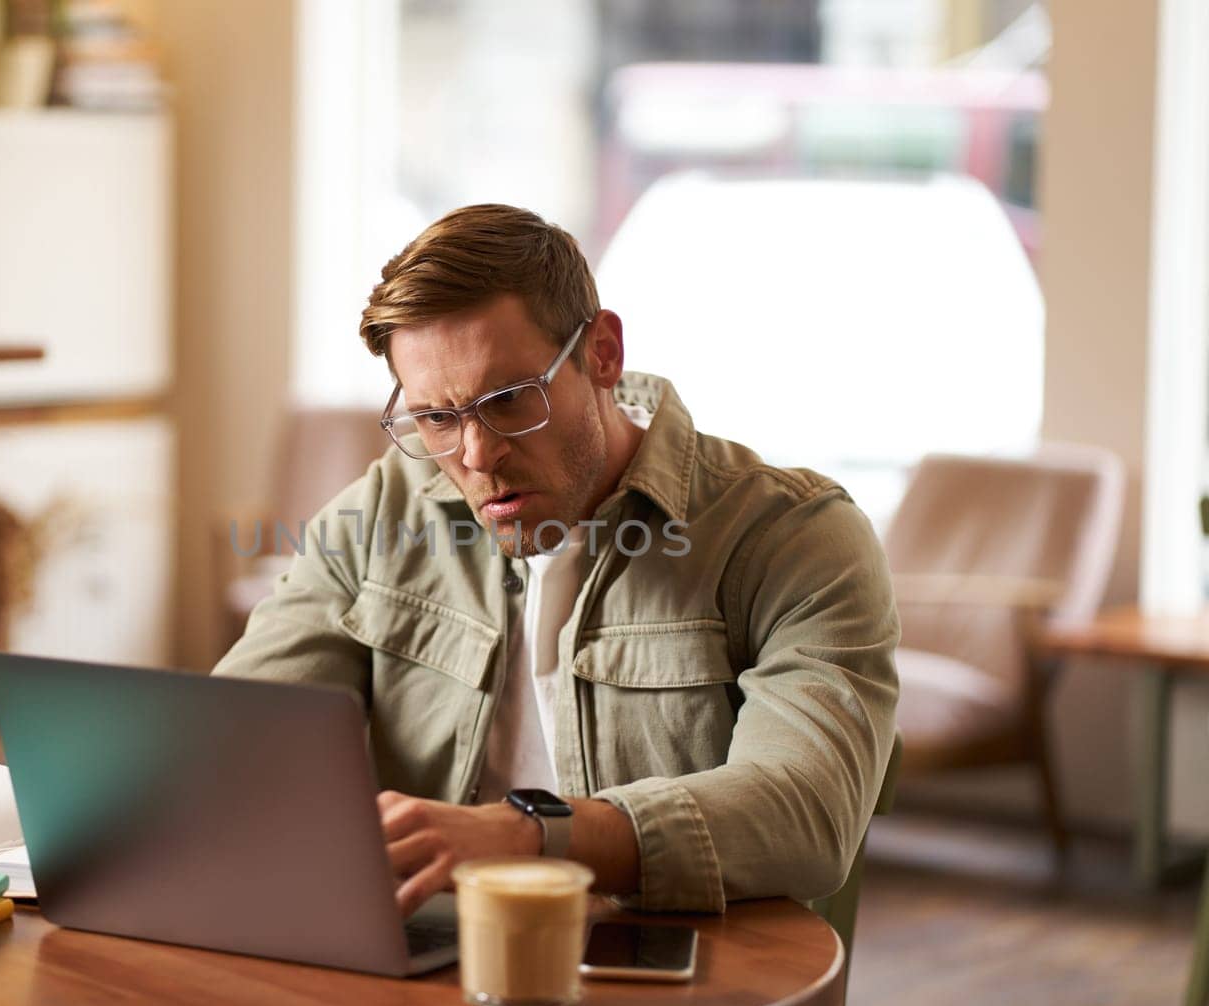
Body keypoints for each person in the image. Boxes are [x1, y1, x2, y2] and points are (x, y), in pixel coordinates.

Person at [214, 203, 898, 916]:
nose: (476, 456)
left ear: (602, 352)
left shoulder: (794, 536)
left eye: (510, 400)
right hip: (427, 991)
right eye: (437, 419)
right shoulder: (387, 511)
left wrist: (526, 835)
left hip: (688, 993)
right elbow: (238, 739)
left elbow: (806, 809)